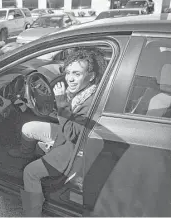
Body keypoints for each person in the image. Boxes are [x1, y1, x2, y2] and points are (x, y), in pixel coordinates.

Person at [8, 48, 108, 216]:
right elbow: (68, 120)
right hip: (67, 135)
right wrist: (60, 102)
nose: (70, 78)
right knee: (29, 128)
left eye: (77, 73)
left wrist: (61, 101)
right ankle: (25, 155)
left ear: (91, 76)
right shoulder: (83, 92)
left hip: (73, 148)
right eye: (68, 72)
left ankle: (32, 214)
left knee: (30, 173)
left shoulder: (89, 102)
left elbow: (72, 134)